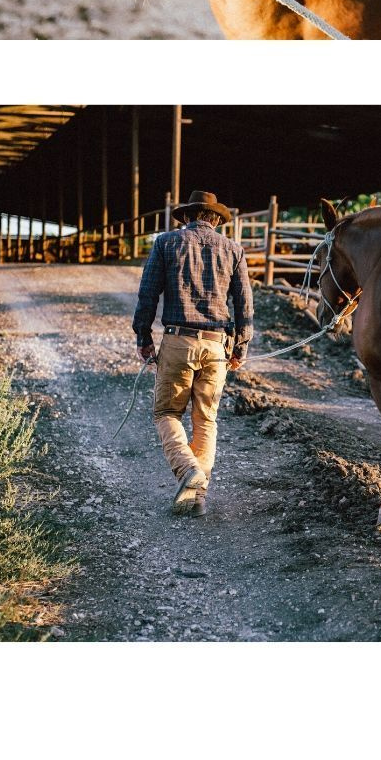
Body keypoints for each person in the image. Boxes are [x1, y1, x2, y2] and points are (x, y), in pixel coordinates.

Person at [132, 190, 254, 517]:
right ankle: (198, 497)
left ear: (187, 216)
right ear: (215, 219)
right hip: (216, 346)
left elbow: (148, 294)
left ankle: (187, 470)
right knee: (206, 420)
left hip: (177, 341)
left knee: (166, 413)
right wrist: (240, 346)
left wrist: (143, 336)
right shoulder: (234, 250)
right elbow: (244, 305)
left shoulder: (166, 243)